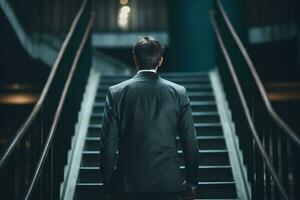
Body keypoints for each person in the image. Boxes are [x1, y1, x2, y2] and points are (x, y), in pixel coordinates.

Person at [100, 36, 199, 200]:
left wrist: (109, 186)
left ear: (135, 60)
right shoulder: (178, 93)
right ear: (160, 61)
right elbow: (190, 143)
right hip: (168, 183)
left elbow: (107, 146)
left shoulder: (116, 93)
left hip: (127, 185)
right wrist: (191, 181)